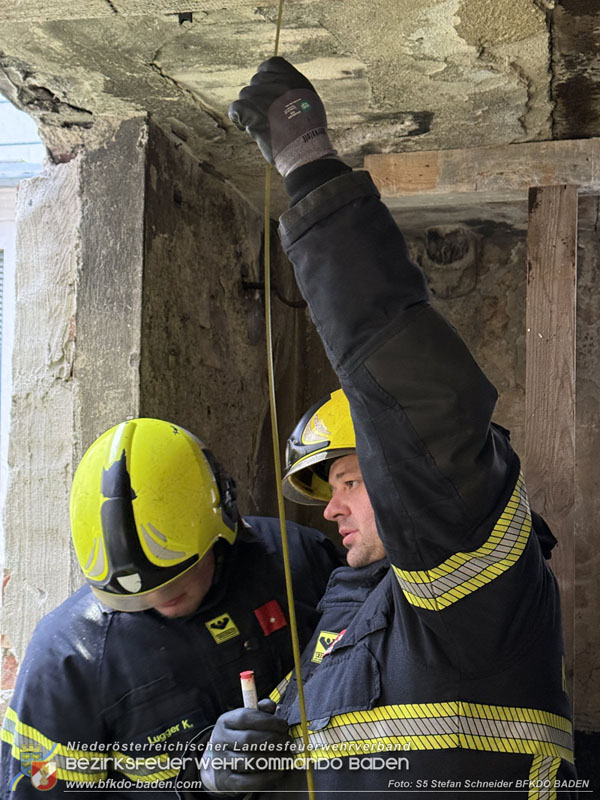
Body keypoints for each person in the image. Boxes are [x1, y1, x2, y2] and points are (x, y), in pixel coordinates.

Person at [197, 57, 577, 798]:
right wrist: (230, 770)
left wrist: (306, 166)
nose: (329, 509)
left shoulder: (464, 586)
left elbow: (414, 399)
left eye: (346, 481)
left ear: (392, 470)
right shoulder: (347, 611)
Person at [0, 417, 342, 798]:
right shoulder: (68, 659)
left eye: (179, 576)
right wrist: (199, 781)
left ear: (221, 521)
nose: (160, 598)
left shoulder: (298, 560)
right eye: (136, 597)